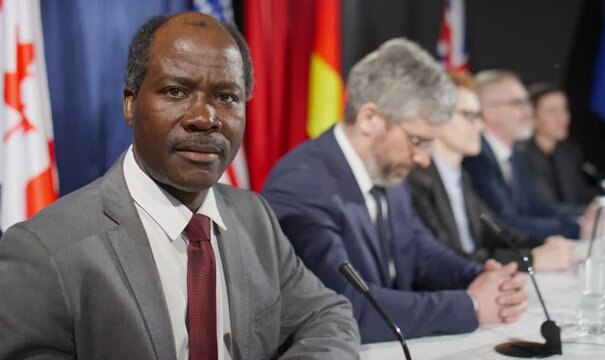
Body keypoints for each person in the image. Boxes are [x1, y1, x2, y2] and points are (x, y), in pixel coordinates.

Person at [0, 12, 360, 360]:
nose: (205, 118)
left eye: (226, 97)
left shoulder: (255, 217)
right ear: (130, 103)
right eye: (176, 91)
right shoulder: (43, 249)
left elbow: (329, 317)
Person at [262, 39, 527, 344]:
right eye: (418, 141)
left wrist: (480, 276)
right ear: (369, 118)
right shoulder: (301, 185)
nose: (424, 159)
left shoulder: (388, 168)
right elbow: (343, 307)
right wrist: (472, 305)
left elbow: (418, 248)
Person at [409, 72, 576, 272]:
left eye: (478, 116)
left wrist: (545, 244)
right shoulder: (418, 180)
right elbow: (445, 259)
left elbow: (500, 232)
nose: (480, 125)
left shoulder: (460, 176)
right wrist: (530, 259)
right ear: (437, 118)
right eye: (470, 116)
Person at [463, 70, 588, 240]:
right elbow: (505, 222)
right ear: (489, 112)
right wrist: (577, 228)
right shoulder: (477, 158)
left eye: (527, 103)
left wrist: (584, 215)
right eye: (517, 103)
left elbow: (535, 207)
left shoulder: (514, 155)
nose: (529, 112)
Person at [518, 82, 603, 210]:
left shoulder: (569, 152)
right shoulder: (521, 156)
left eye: (565, 109)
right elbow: (546, 205)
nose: (563, 117)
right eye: (552, 111)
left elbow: (580, 193)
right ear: (532, 117)